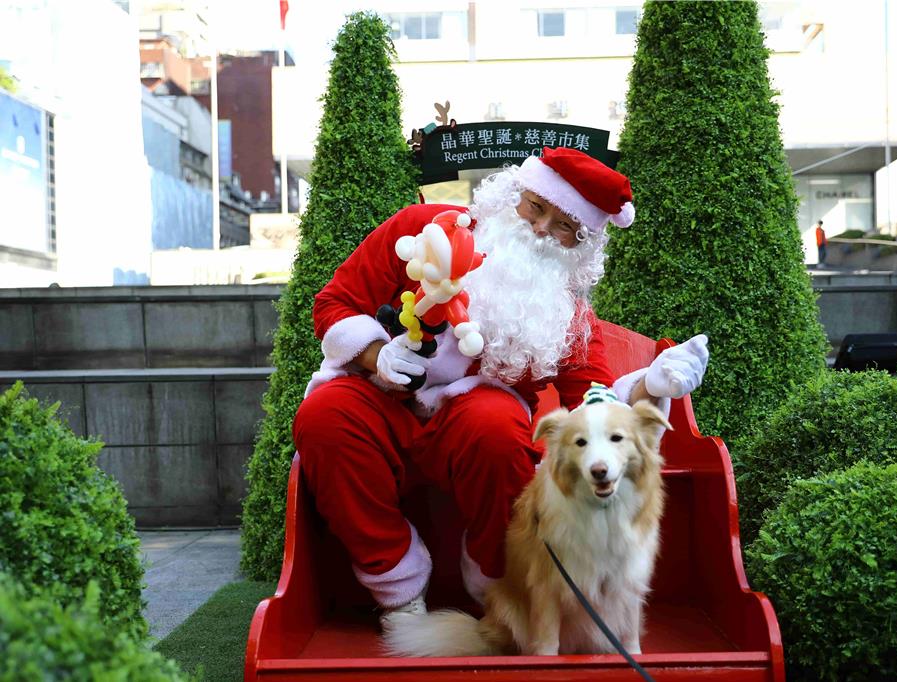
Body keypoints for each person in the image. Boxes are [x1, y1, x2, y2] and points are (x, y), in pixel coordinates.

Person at [293, 147, 710, 627]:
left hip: (471, 428)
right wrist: (376, 355)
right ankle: (397, 586)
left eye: (564, 226)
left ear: (581, 244)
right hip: (379, 400)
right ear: (514, 193)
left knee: (497, 426)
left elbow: (594, 404)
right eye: (536, 206)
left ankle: (495, 584)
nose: (540, 228)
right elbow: (335, 302)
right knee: (324, 416)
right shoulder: (423, 229)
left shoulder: (566, 312)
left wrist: (650, 385)